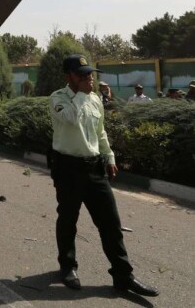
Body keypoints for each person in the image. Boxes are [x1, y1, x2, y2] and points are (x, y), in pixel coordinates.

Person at [48, 54, 158, 297]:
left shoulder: (96, 99)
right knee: (68, 220)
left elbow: (100, 132)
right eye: (82, 74)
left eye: (90, 74)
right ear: (69, 77)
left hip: (94, 168)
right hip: (68, 169)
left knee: (110, 223)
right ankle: (67, 267)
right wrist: (81, 94)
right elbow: (70, 119)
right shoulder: (58, 98)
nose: (89, 78)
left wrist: (109, 157)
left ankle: (123, 276)